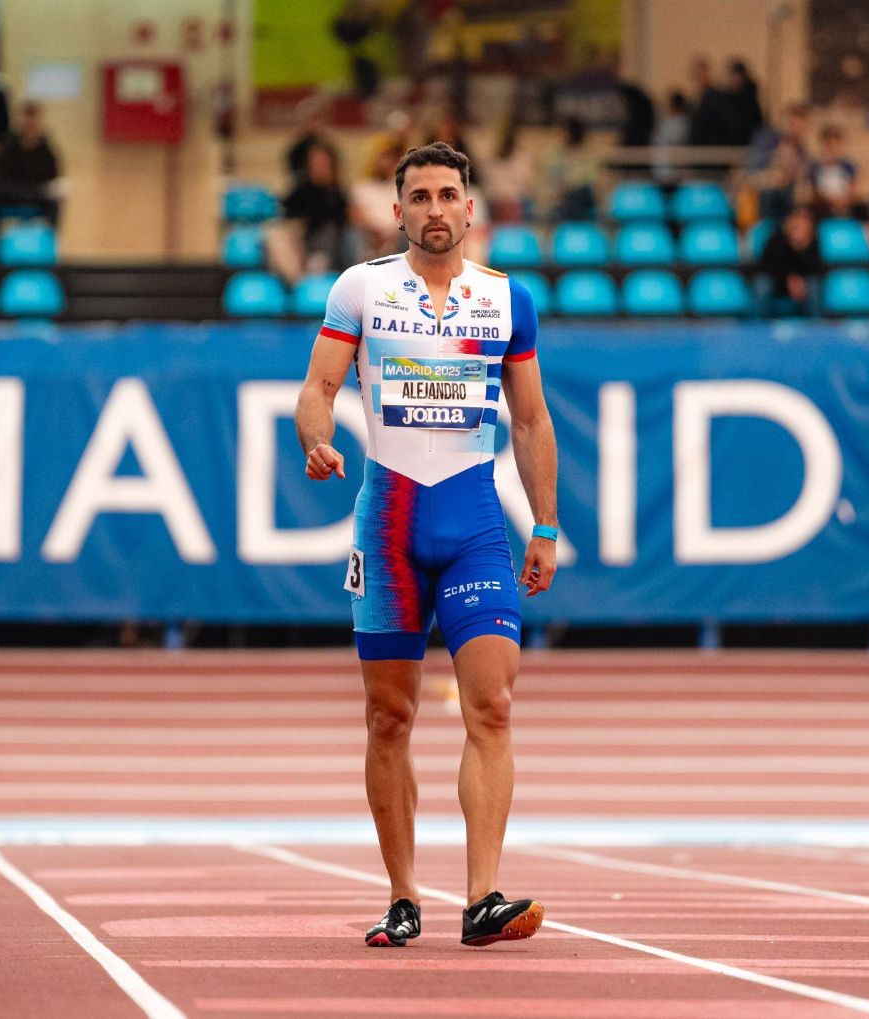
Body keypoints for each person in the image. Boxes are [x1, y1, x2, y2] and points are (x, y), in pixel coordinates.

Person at [296, 141, 558, 949]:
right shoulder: (361, 288)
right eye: (420, 197)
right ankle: (403, 894)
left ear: (470, 208)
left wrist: (545, 525)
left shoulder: (506, 299)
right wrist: (315, 438)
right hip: (389, 528)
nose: (435, 209)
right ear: (398, 209)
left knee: (494, 705)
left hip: (475, 524)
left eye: (448, 195)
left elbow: (530, 419)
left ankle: (482, 898)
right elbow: (318, 389)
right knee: (389, 715)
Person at [266, 140, 349, 283]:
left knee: (330, 230)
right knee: (277, 234)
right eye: (315, 163)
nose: (319, 167)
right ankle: (297, 281)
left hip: (327, 245)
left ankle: (313, 269)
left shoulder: (338, 194)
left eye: (323, 163)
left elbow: (340, 220)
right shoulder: (300, 190)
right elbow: (287, 212)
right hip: (301, 241)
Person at [0, 100, 61, 237]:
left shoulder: (45, 146)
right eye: (27, 120)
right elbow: (1, 172)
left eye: (34, 120)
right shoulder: (8, 143)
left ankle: (50, 239)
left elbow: (53, 172)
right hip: (11, 192)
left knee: (55, 202)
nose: (30, 124)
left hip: (37, 194)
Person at [757, 205, 823, 317]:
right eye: (797, 224)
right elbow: (767, 266)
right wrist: (787, 279)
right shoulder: (775, 240)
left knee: (814, 285)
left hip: (802, 287)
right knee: (762, 284)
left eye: (804, 225)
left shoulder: (813, 244)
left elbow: (816, 269)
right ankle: (759, 322)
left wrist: (801, 249)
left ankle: (816, 322)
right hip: (777, 284)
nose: (800, 227)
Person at [809, 124, 863, 220]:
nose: (832, 150)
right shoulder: (816, 167)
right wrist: (829, 200)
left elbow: (852, 191)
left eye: (835, 146)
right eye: (829, 146)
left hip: (844, 207)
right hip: (824, 208)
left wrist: (842, 201)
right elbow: (815, 193)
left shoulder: (848, 167)